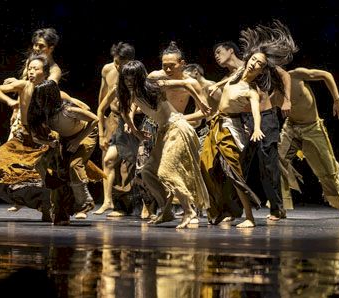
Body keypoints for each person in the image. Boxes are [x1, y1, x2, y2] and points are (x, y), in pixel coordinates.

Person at [200, 19, 298, 228]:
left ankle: (276, 208)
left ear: (231, 51)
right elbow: (232, 81)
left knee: (266, 161)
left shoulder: (259, 65)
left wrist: (287, 100)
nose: (216, 57)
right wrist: (216, 86)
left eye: (219, 52)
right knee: (237, 163)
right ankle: (233, 210)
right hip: (240, 120)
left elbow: (285, 75)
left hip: (264, 117)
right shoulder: (236, 73)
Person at [118, 60, 211, 229]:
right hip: (163, 131)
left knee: (166, 171)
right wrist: (135, 130)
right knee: (148, 172)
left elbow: (187, 83)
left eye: (132, 78)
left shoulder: (155, 85)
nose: (129, 81)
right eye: (126, 78)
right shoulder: (129, 94)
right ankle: (165, 209)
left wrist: (201, 102)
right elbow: (124, 112)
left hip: (178, 127)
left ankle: (189, 211)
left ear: (139, 77)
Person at [0, 54, 55, 219]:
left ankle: (47, 208)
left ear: (45, 73)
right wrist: (10, 102)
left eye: (36, 69)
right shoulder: (24, 85)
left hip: (42, 141)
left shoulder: (51, 91)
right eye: (29, 68)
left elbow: (70, 103)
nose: (31, 72)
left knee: (45, 177)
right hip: (21, 139)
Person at [278, 67, 339, 218]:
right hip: (291, 128)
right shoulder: (273, 88)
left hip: (312, 128)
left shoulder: (297, 74)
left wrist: (337, 100)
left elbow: (326, 75)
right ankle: (279, 206)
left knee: (328, 167)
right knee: (278, 161)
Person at [27, 79, 101, 224]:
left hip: (85, 135)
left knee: (74, 165)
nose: (38, 101)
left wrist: (77, 140)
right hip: (65, 139)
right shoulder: (42, 113)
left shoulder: (68, 110)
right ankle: (61, 212)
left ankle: (84, 203)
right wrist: (48, 142)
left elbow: (94, 119)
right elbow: (35, 137)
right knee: (52, 170)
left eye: (41, 98)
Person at [95, 42, 140, 217]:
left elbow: (137, 100)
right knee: (107, 159)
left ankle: (127, 204)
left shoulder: (135, 73)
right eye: (116, 62)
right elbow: (102, 98)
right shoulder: (108, 69)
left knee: (127, 163)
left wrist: (131, 121)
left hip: (130, 119)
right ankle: (108, 201)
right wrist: (102, 127)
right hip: (113, 118)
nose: (118, 66)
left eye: (121, 63)